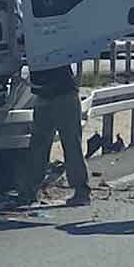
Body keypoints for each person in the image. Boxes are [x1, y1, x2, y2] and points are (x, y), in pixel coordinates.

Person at [21, 64, 91, 206]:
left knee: (69, 144)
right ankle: (30, 190)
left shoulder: (51, 46)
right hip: (44, 94)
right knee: (39, 145)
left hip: (63, 94)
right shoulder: (36, 46)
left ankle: (81, 190)